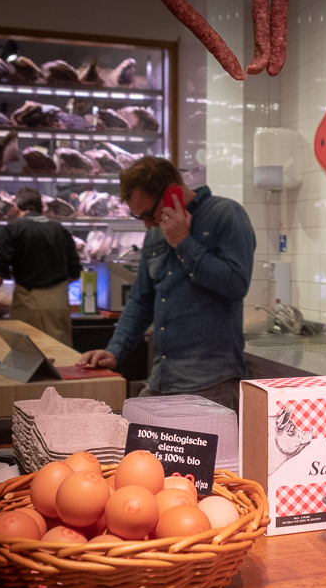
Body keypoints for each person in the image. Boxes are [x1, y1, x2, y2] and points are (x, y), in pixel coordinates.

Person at [76, 157, 256, 412]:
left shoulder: (226, 215)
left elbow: (237, 285)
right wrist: (115, 350)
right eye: (139, 216)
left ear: (173, 192)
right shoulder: (155, 232)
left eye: (149, 214)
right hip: (162, 378)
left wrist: (183, 242)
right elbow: (140, 300)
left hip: (210, 384)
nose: (147, 224)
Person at [0, 187, 81, 346]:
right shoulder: (60, 229)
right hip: (59, 304)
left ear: (16, 208)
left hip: (28, 302)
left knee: (27, 357)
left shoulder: (12, 229)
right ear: (42, 207)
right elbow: (74, 273)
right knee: (61, 355)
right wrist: (53, 289)